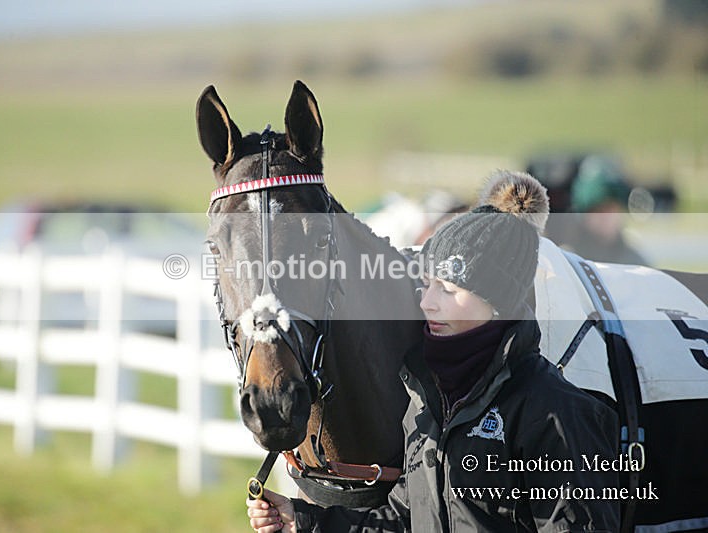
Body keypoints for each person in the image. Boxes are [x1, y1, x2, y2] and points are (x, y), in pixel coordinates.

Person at [247, 170, 621, 533]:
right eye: (426, 285)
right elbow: (404, 517)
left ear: (498, 300)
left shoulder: (557, 415)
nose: (427, 303)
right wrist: (306, 520)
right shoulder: (425, 399)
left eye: (448, 289)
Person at [559, 155, 648, 265]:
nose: (605, 217)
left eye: (611, 209)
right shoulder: (566, 261)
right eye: (597, 210)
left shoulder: (635, 262)